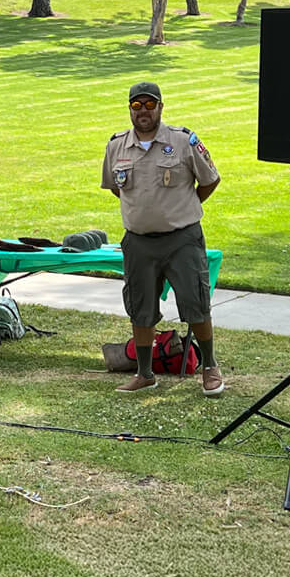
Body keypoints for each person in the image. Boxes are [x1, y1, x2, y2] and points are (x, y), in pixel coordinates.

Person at [101, 81, 224, 396]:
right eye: (137, 105)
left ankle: (210, 367)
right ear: (130, 109)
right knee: (140, 307)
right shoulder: (116, 146)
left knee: (195, 301)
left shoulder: (183, 142)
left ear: (161, 106)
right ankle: (144, 373)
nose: (143, 111)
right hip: (138, 242)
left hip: (181, 238)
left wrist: (184, 207)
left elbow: (209, 180)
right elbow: (116, 188)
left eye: (149, 104)